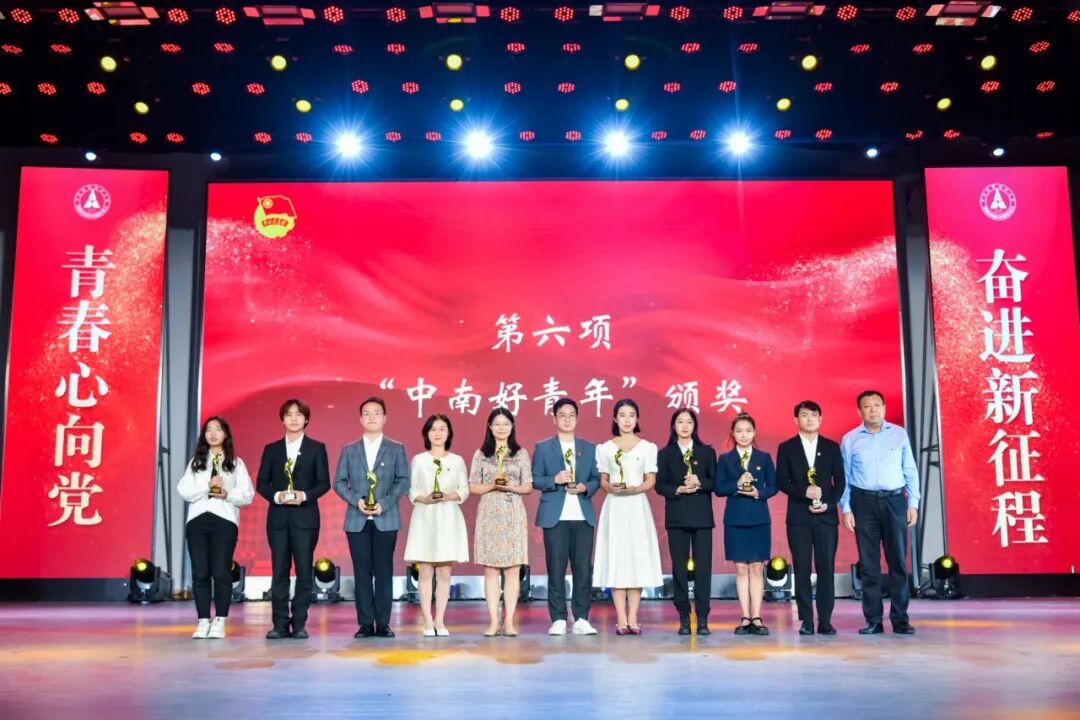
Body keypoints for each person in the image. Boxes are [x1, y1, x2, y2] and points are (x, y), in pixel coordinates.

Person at [840, 390, 920, 636]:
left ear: (884, 408)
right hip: (863, 504)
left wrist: (913, 503)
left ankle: (900, 619)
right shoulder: (850, 439)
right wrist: (846, 508)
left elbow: (910, 470)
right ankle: (873, 620)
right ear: (859, 411)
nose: (873, 410)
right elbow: (844, 477)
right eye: (867, 406)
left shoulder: (899, 434)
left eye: (877, 405)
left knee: (898, 563)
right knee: (869, 565)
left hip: (895, 502)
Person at [333, 396, 410, 639]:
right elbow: (338, 482)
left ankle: (383, 623)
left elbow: (403, 481)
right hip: (356, 520)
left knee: (384, 571)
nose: (371, 417)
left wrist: (383, 504)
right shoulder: (349, 449)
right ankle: (366, 623)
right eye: (367, 413)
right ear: (360, 419)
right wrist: (356, 500)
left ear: (385, 418)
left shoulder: (396, 448)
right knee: (362, 572)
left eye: (376, 413)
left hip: (386, 519)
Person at [255, 398, 331, 639]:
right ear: (283, 419)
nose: (294, 418)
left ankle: (299, 623)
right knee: (279, 571)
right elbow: (261, 483)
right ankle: (279, 623)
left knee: (304, 572)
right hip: (278, 520)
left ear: (306, 419)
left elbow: (324, 483)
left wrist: (304, 495)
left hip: (305, 519)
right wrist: (277, 496)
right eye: (289, 414)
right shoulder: (272, 449)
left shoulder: (316, 448)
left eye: (299, 414)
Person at [177, 416, 255, 639]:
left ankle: (220, 620)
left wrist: (226, 494)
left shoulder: (236, 464)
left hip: (224, 520)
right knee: (200, 572)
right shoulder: (196, 463)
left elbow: (247, 494)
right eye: (208, 430)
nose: (212, 434)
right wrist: (206, 486)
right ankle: (203, 620)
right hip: (197, 521)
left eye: (218, 429)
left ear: (226, 434)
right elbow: (184, 490)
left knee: (221, 572)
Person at [531, 398, 600, 636]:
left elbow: (596, 479)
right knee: (556, 568)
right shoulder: (543, 447)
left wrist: (585, 487)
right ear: (554, 419)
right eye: (562, 415)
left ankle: (581, 618)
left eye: (572, 415)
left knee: (583, 570)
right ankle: (558, 618)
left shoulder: (589, 447)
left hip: (582, 516)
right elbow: (535, 479)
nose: (567, 419)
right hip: (555, 517)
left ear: (577, 419)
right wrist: (555, 480)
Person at [776, 400, 846, 636]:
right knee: (802, 568)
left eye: (814, 415)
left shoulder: (831, 447)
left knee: (826, 568)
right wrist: (803, 492)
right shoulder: (787, 448)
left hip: (826, 518)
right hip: (799, 518)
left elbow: (840, 482)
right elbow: (781, 481)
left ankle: (825, 620)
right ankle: (806, 620)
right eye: (804, 415)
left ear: (820, 419)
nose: (809, 419)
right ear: (796, 419)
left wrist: (829, 504)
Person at [594, 398, 663, 635]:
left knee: (636, 560)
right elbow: (603, 480)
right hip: (614, 507)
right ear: (615, 418)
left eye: (631, 415)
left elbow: (651, 480)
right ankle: (621, 619)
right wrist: (610, 487)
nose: (627, 420)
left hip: (637, 506)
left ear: (637, 419)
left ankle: (633, 618)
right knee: (617, 559)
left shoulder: (647, 447)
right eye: (622, 415)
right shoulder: (605, 448)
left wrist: (636, 489)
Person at [403, 414, 469, 637]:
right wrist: (424, 498)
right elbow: (412, 489)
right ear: (426, 434)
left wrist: (450, 495)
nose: (438, 433)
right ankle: (427, 620)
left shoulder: (457, 461)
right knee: (424, 571)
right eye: (433, 429)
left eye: (442, 429)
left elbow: (464, 489)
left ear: (449, 433)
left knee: (444, 572)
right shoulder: (419, 460)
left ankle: (440, 619)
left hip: (448, 516)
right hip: (425, 516)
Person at [469, 408, 533, 637]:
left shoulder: (521, 453)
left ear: (512, 426)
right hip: (489, 513)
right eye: (497, 424)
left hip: (513, 513)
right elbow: (472, 486)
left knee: (513, 569)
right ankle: (494, 621)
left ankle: (509, 621)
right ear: (489, 427)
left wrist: (510, 487)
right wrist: (492, 485)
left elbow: (528, 486)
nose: (501, 428)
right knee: (491, 570)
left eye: (506, 423)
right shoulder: (481, 454)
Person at [656, 407, 716, 636]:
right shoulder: (665, 454)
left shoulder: (706, 452)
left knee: (703, 569)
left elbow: (715, 482)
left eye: (689, 421)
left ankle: (702, 618)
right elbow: (660, 485)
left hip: (702, 518)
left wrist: (700, 482)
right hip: (677, 517)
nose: (684, 426)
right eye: (680, 421)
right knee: (679, 569)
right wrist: (678, 489)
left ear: (694, 426)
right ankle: (683, 615)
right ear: (674, 426)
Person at [715, 412, 777, 636]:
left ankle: (757, 617)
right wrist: (737, 484)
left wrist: (759, 493)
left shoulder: (764, 457)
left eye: (748, 431)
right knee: (741, 568)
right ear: (733, 433)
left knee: (757, 567)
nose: (744, 435)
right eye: (739, 431)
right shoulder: (725, 459)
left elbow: (774, 486)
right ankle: (745, 616)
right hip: (735, 519)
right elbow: (718, 488)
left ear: (754, 432)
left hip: (759, 518)